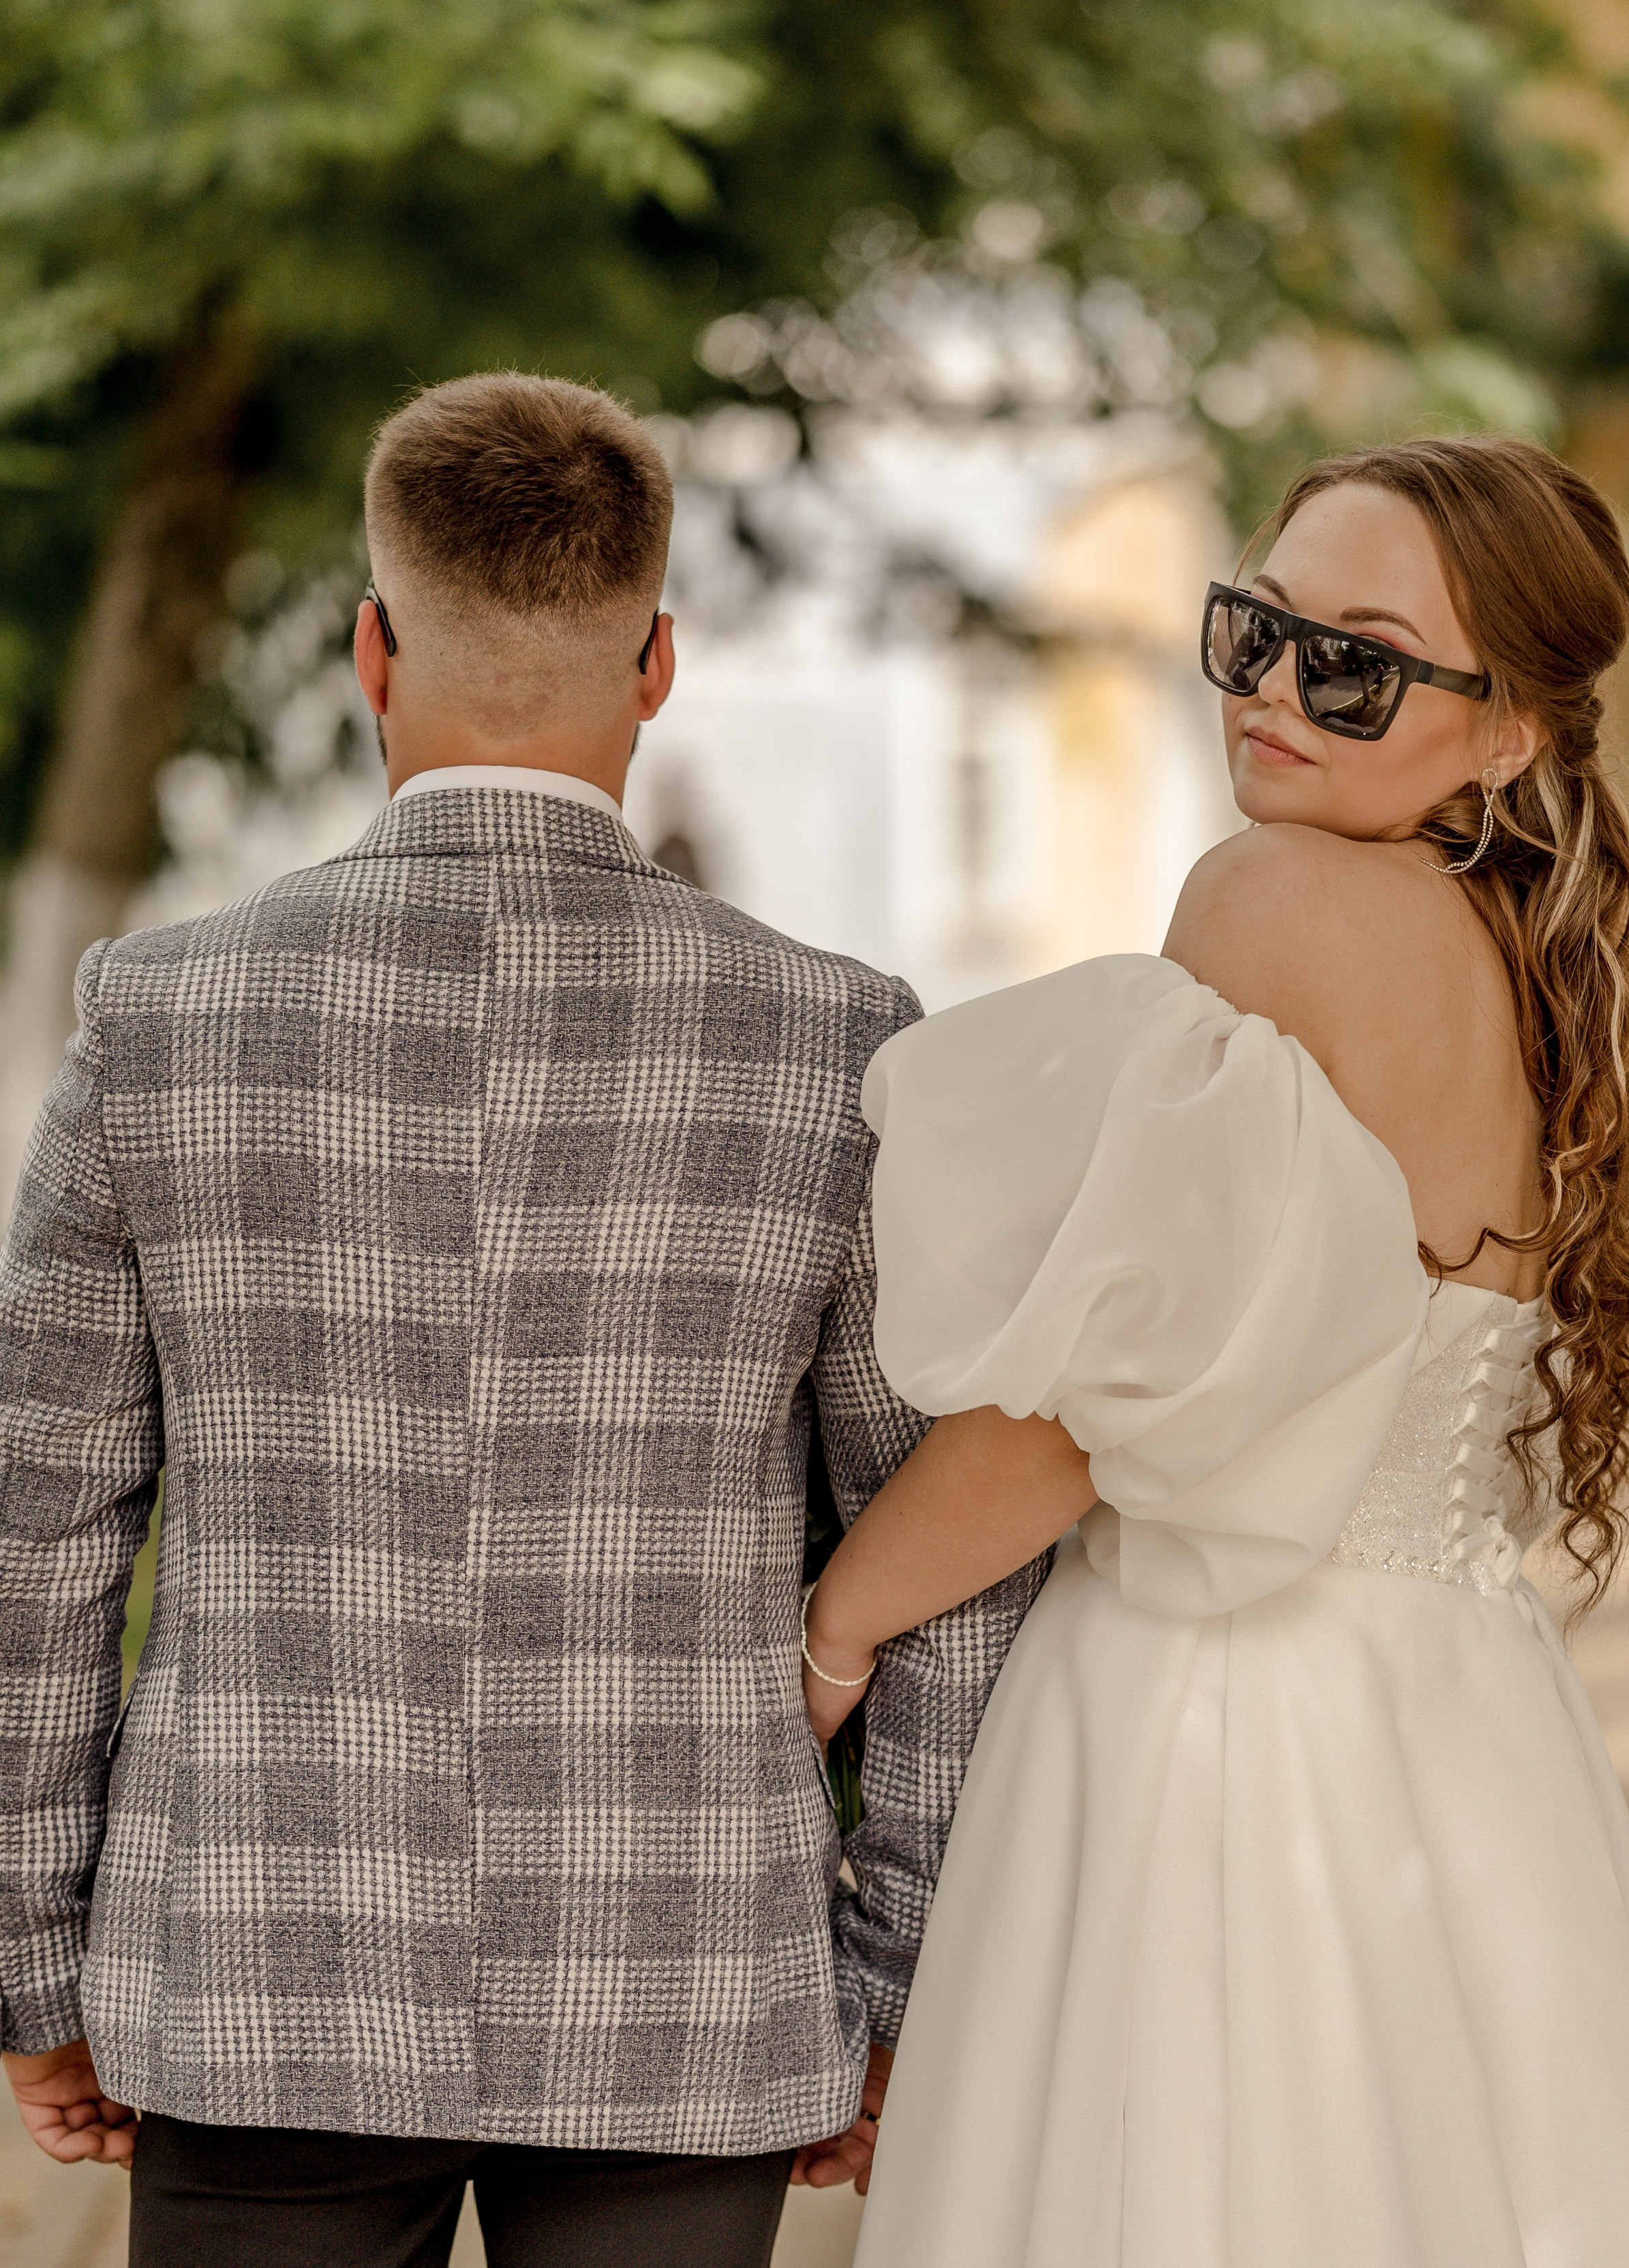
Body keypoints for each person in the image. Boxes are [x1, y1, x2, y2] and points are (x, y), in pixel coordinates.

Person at [0, 371, 1042, 2265]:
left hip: (250, 1972)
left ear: (370, 646)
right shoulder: (840, 1038)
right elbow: (940, 1558)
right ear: (657, 664)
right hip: (695, 1979)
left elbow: (41, 1528)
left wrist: (28, 1955)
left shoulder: (162, 1018)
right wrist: (899, 1977)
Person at [802, 435, 1629, 2267]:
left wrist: (837, 1620)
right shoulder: (1520, 964)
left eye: (1355, 662)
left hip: (1216, 1711)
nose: (1274, 697)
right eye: (1255, 630)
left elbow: (1089, 1411)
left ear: (1511, 728)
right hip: (1466, 1719)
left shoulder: (1274, 901)